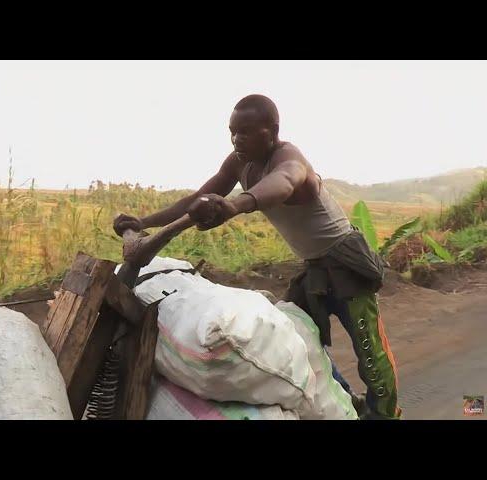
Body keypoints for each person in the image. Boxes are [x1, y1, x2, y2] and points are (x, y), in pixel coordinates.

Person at [114, 94, 401, 419]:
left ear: (272, 131)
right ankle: (345, 398)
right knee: (297, 338)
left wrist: (236, 205)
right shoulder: (239, 162)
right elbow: (197, 198)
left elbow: (284, 182)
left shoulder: (290, 158)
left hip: (344, 262)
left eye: (246, 132)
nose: (237, 139)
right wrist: (144, 222)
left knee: (369, 348)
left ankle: (386, 413)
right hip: (314, 269)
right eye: (233, 131)